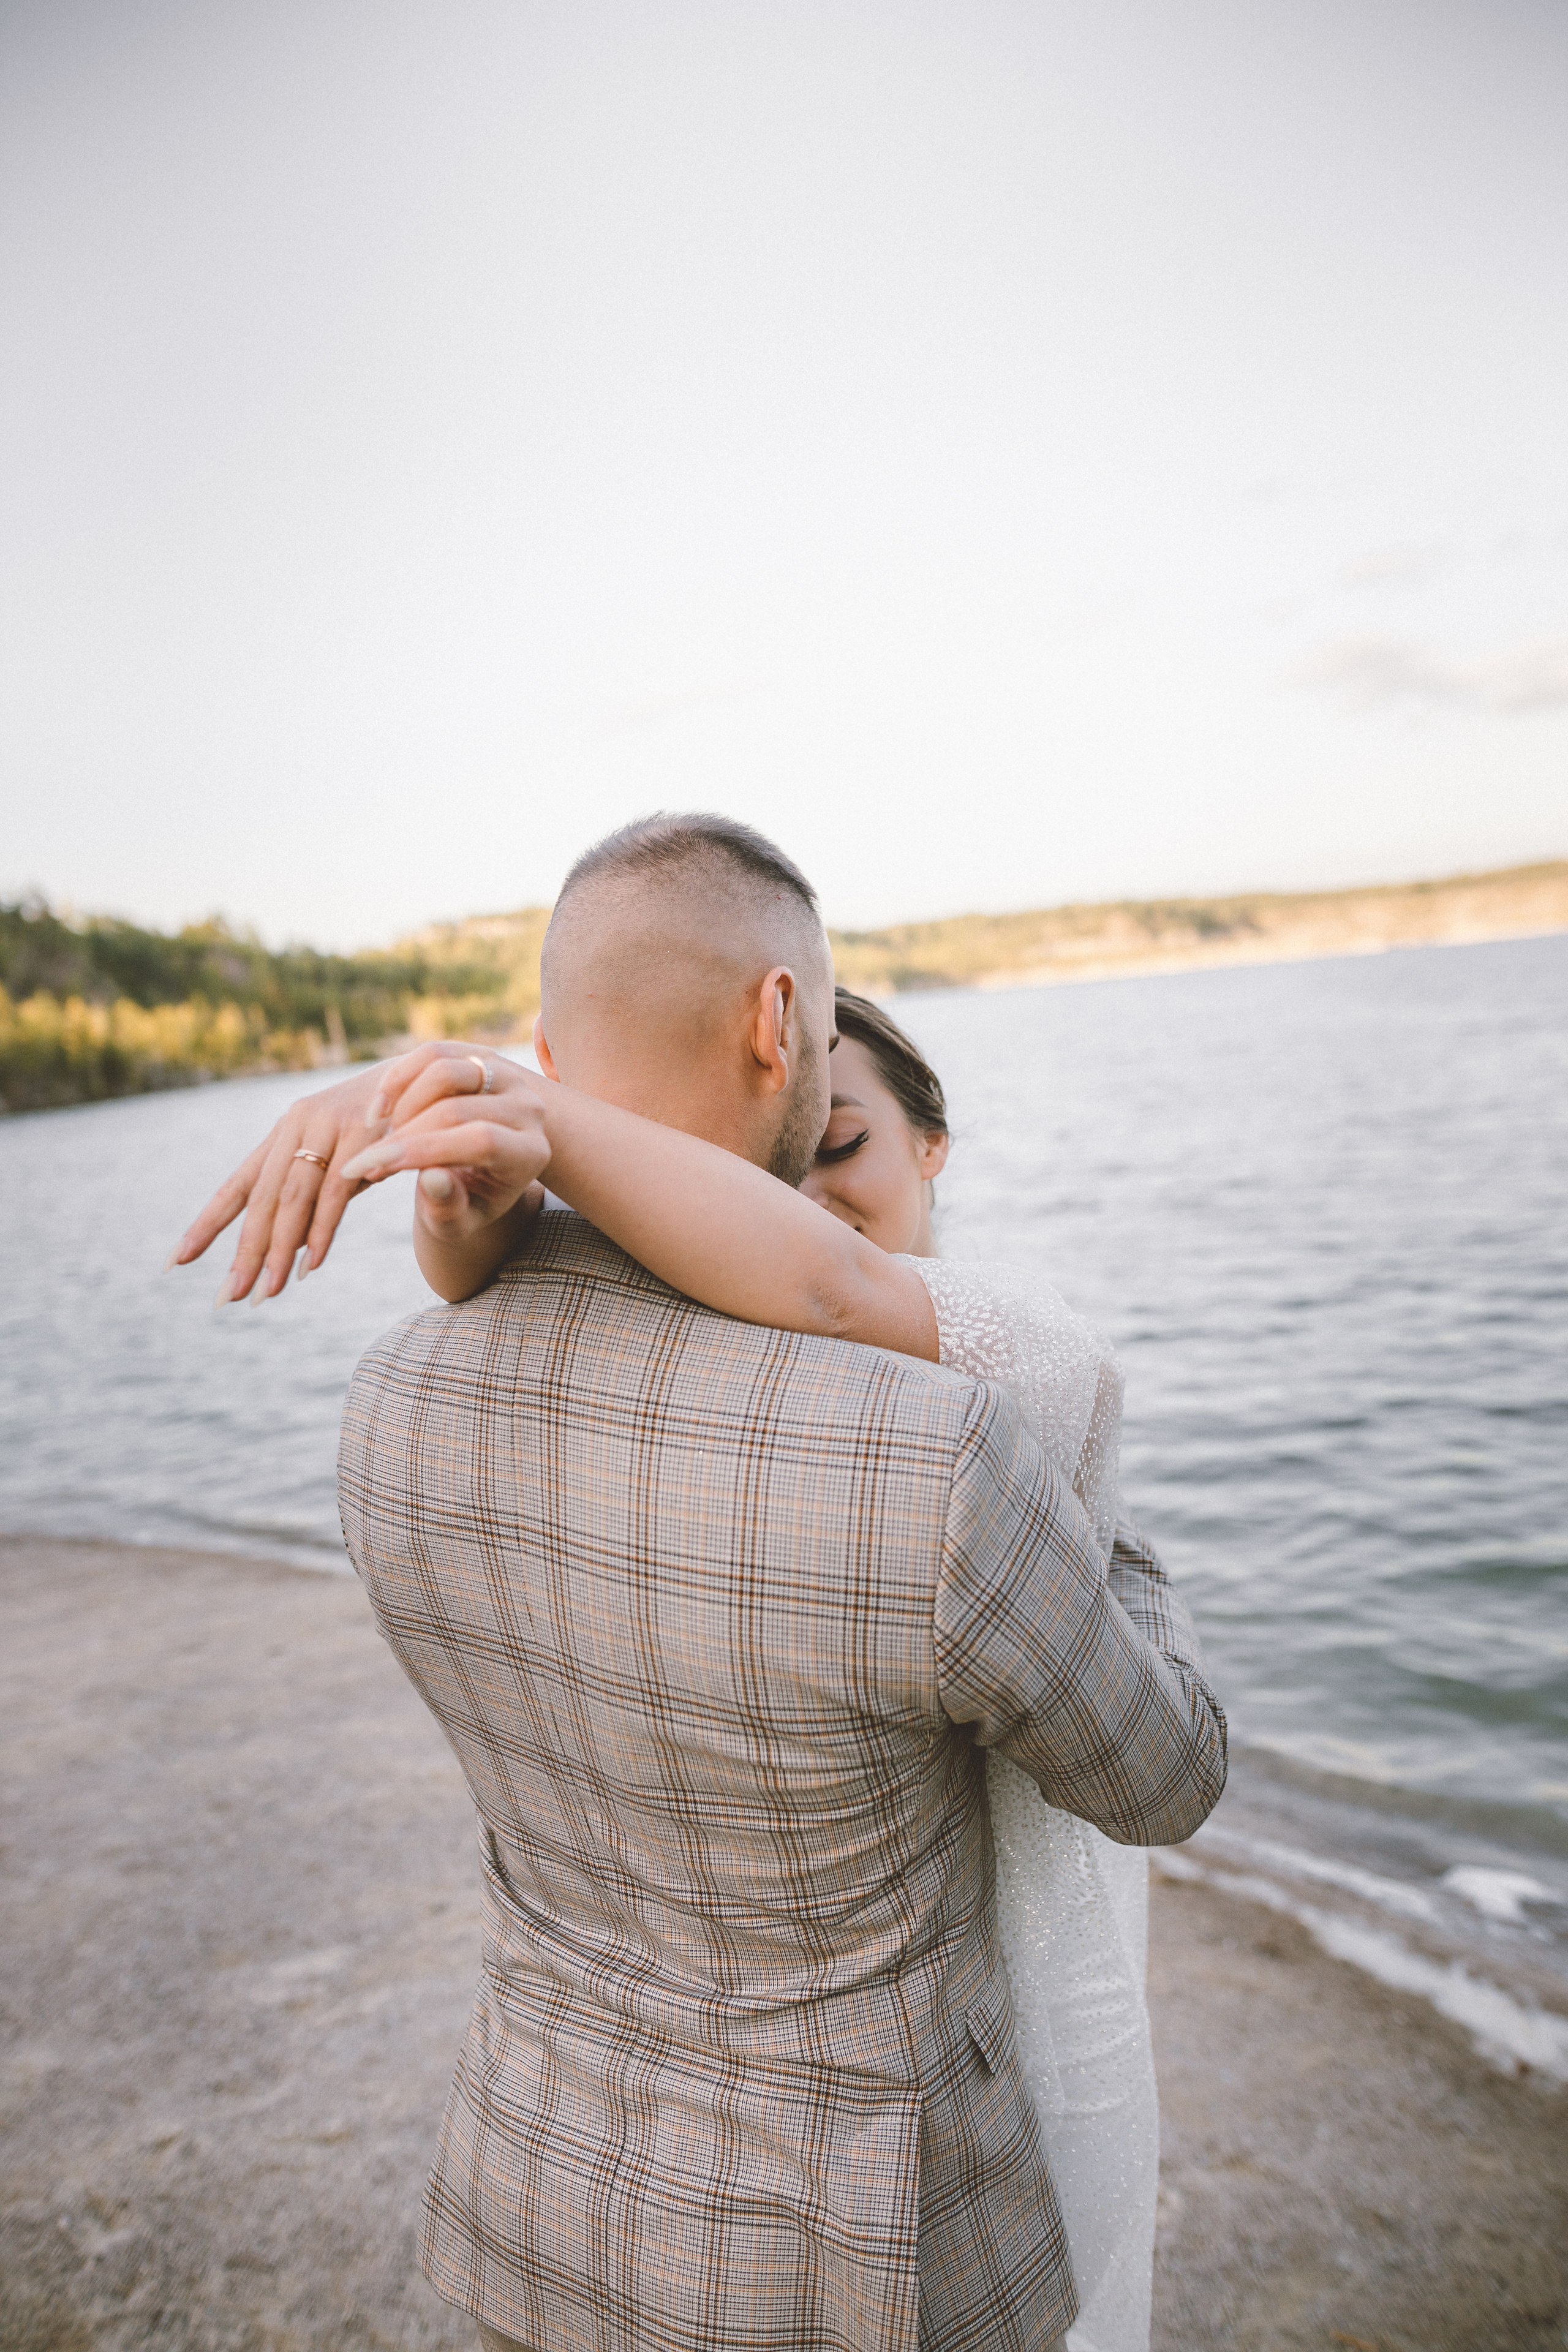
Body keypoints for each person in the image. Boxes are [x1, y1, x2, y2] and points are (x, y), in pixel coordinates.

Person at [172, 813, 1225, 2352]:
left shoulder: (388, 1403)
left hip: (543, 2195)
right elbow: (1166, 1772)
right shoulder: (928, 1453)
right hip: (861, 2266)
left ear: (546, 1050)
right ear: (779, 1019)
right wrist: (1075, 1495)